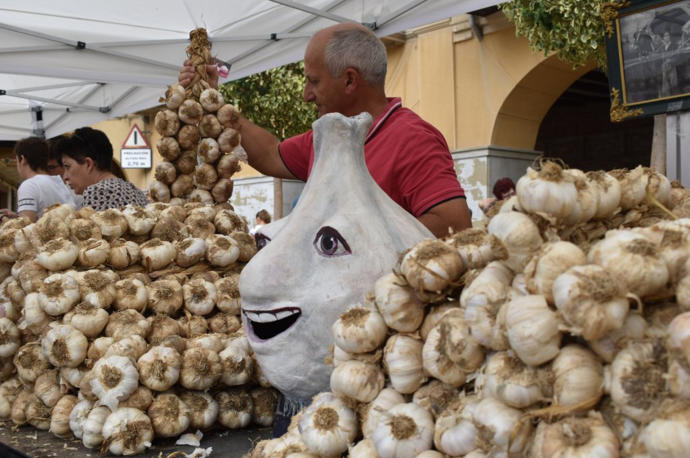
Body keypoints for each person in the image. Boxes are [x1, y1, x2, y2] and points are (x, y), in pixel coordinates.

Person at [179, 23, 472, 238]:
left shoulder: (413, 139)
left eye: (314, 81)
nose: (307, 94)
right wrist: (215, 101)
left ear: (349, 81)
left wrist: (362, 248)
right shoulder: (329, 137)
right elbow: (271, 154)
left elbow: (453, 226)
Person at [53, 127, 148, 211]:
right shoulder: (135, 191)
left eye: (67, 167)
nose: (65, 177)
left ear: (88, 164)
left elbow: (90, 231)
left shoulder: (98, 193)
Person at [0, 137, 80, 223]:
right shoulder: (59, 182)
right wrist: (16, 216)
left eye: (17, 161)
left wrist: (2, 218)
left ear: (23, 159)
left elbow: (25, 229)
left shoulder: (29, 185)